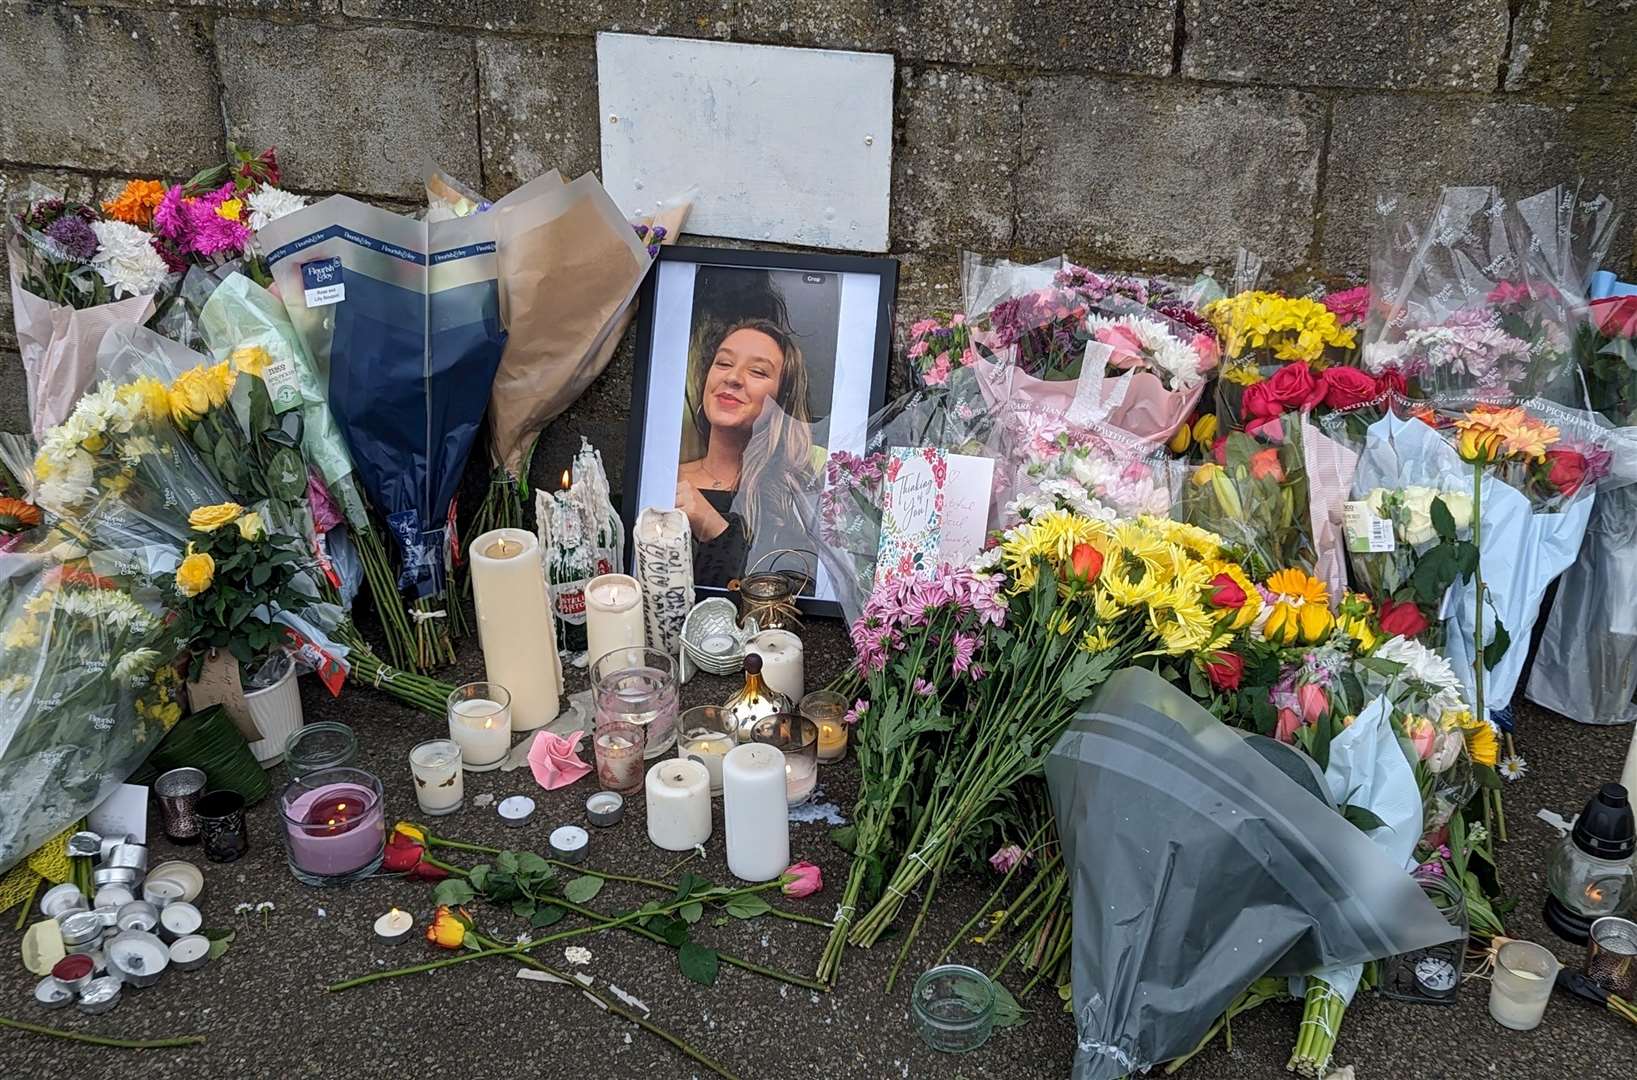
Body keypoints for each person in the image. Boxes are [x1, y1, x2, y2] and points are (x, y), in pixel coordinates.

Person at [675, 318, 813, 586]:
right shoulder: (663, 478)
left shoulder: (791, 496)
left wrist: (716, 529)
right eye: (724, 363)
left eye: (758, 372)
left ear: (781, 400)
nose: (733, 378)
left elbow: (779, 604)